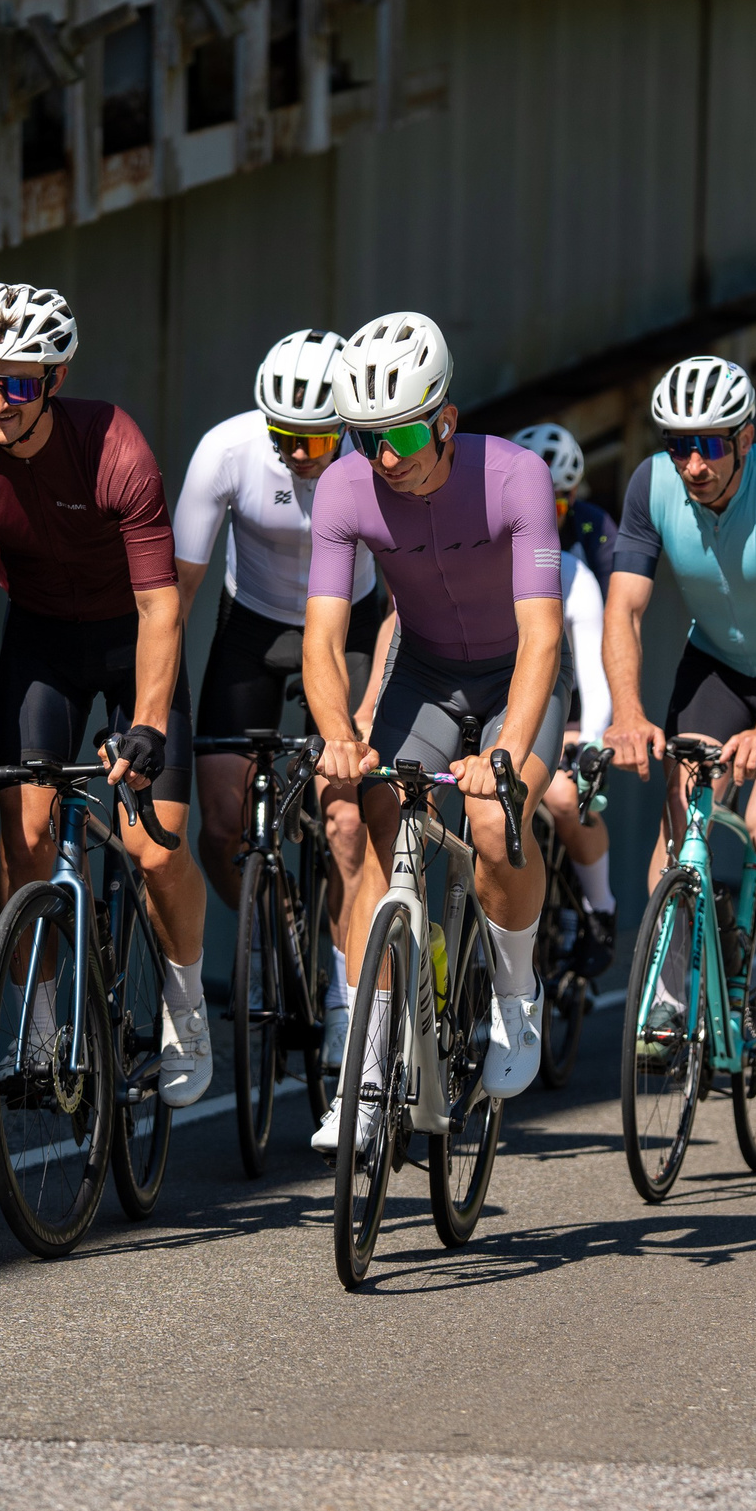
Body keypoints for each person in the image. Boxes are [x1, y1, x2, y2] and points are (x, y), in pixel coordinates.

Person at [0, 283, 213, 1108]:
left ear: (55, 379)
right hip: (42, 643)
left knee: (155, 850)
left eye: (17, 383)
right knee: (25, 843)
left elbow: (159, 606)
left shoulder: (116, 448)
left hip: (131, 641)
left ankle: (186, 1007)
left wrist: (147, 724)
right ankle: (40, 1029)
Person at [303, 312, 568, 1151]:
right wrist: (338, 734)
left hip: (515, 670)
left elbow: (543, 636)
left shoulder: (517, 478)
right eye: (367, 437)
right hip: (423, 673)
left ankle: (517, 1001)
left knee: (493, 819)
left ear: (446, 420)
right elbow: (322, 637)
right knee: (377, 822)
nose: (387, 457)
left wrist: (505, 752)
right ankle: (365, 1075)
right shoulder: (343, 488)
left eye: (407, 434)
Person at [603, 355, 756, 1057]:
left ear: (744, 438)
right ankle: (668, 996)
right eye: (678, 445)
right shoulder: (651, 485)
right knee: (681, 817)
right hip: (716, 665)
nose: (693, 464)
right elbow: (624, 608)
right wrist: (627, 710)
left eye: (709, 445)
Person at [173, 328, 393, 1074]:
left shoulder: (375, 463)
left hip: (350, 628)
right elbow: (177, 590)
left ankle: (344, 996)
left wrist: (369, 707)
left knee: (345, 820)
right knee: (219, 828)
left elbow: (407, 602)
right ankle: (274, 930)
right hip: (253, 629)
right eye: (284, 437)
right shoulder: (228, 450)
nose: (299, 454)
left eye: (316, 441)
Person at [513, 423, 617, 957]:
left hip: (576, 680)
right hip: (514, 689)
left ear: (571, 499)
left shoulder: (591, 541)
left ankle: (600, 907)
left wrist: (593, 738)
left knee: (564, 793)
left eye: (553, 504)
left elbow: (613, 640)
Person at [514, 421, 620, 585]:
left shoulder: (597, 524)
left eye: (555, 508)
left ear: (572, 495)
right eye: (526, 506)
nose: (539, 519)